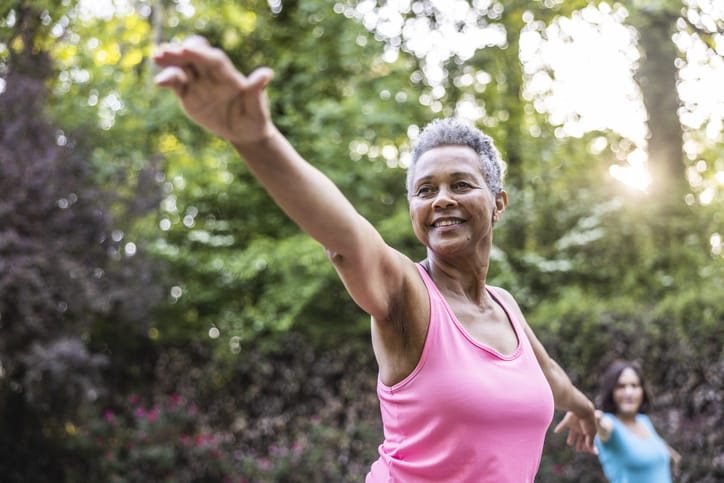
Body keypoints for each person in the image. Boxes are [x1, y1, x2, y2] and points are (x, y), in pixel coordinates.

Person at [153, 35, 597, 482]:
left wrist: (582, 407)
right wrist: (257, 140)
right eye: (426, 190)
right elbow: (345, 237)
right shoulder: (408, 294)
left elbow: (549, 376)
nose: (441, 199)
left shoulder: (504, 306)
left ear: (498, 203)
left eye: (460, 185)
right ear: (413, 210)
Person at [594, 359, 681, 483]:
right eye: (621, 386)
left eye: (634, 386)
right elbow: (604, 427)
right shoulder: (611, 424)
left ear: (642, 390)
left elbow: (651, 449)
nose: (628, 393)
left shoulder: (644, 421)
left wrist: (668, 456)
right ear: (611, 391)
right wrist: (594, 416)